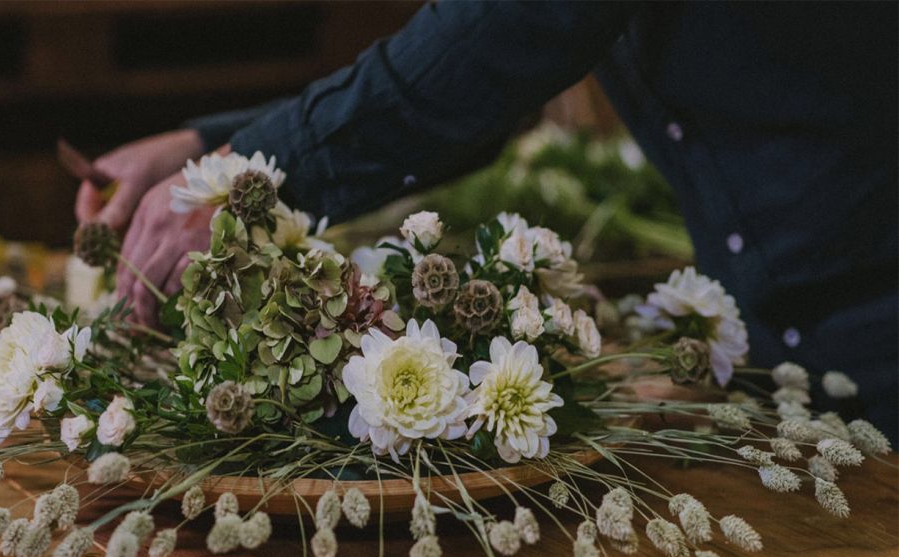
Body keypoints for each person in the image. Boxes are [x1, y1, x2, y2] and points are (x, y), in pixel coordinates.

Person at [75, 2, 898, 437]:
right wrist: (206, 150)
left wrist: (243, 176)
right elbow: (491, 76)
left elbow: (508, 30)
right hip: (807, 332)